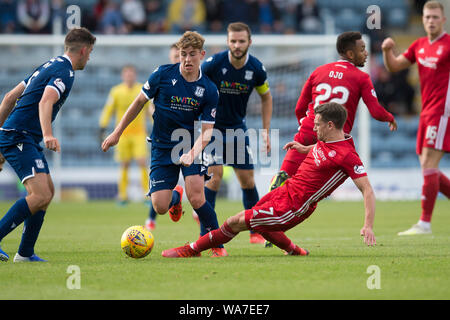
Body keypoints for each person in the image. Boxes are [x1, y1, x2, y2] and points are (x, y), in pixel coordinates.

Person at [161, 102, 377, 258]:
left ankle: (190, 249)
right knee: (261, 225)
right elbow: (324, 149)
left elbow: (367, 189)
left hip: (295, 206)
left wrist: (368, 225)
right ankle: (295, 250)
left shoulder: (348, 156)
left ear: (331, 125)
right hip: (285, 191)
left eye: (318, 125)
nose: (314, 128)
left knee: (235, 221)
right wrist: (304, 148)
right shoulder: (327, 141)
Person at [102, 31, 228, 257]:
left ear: (202, 55)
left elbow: (207, 132)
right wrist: (116, 133)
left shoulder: (209, 89)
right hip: (161, 145)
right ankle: (175, 196)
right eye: (183, 54)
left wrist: (192, 152)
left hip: (191, 143)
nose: (187, 59)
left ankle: (217, 244)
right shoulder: (162, 74)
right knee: (160, 206)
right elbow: (138, 102)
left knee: (198, 196)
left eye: (192, 54)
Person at [0, 27, 96, 262]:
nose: (90, 57)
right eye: (90, 52)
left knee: (47, 192)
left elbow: (8, 98)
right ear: (83, 50)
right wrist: (48, 134)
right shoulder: (65, 71)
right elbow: (46, 101)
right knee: (40, 194)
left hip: (20, 136)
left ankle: (25, 253)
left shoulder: (48, 65)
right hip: (19, 136)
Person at [269, 31, 397, 193]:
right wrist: (390, 117)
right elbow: (376, 111)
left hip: (310, 129)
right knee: (315, 189)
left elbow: (299, 108)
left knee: (284, 177)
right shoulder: (361, 77)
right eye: (363, 49)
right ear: (350, 54)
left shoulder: (319, 71)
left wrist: (307, 125)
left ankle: (271, 202)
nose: (366, 53)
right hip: (334, 139)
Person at [382, 0, 450, 235]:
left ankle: (424, 223)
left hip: (443, 112)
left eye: (435, 17)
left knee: (430, 164)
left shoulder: (449, 45)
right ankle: (424, 223)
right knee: (426, 167)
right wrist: (386, 50)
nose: (430, 21)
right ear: (422, 19)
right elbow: (394, 66)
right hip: (426, 111)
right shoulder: (419, 45)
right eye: (427, 17)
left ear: (443, 20)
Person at [201, 22, 273, 244]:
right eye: (233, 41)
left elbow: (266, 97)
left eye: (241, 41)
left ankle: (255, 231)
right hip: (211, 128)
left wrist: (265, 131)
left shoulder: (256, 69)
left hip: (237, 129)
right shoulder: (213, 64)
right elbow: (195, 86)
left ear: (249, 42)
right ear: (227, 41)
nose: (237, 45)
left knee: (247, 181)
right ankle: (207, 235)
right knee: (214, 178)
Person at [99, 65, 151, 206]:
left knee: (142, 162)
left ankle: (147, 194)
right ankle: (122, 196)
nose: (129, 77)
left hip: (139, 133)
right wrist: (103, 126)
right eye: (127, 74)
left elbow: (150, 110)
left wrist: (156, 123)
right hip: (122, 135)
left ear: (135, 75)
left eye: (131, 74)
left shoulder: (141, 89)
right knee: (124, 164)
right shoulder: (116, 91)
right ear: (123, 76)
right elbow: (109, 109)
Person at [145, 43, 181, 230]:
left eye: (180, 56)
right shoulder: (162, 76)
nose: (178, 59)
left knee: (198, 190)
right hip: (164, 139)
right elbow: (150, 103)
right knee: (160, 198)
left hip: (189, 139)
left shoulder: (196, 79)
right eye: (175, 56)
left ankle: (206, 230)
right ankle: (174, 199)